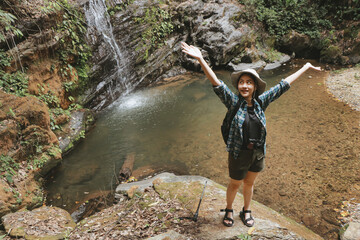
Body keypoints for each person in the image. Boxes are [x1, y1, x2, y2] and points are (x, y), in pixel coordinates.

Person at [181, 42, 321, 227]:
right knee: (234, 183)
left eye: (249, 82)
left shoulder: (260, 103)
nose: (244, 86)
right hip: (238, 152)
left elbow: (283, 85)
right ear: (238, 85)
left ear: (255, 87)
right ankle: (229, 209)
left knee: (249, 184)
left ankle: (246, 210)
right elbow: (217, 83)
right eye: (241, 82)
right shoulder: (233, 102)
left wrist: (305, 67)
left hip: (258, 152)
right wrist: (200, 59)